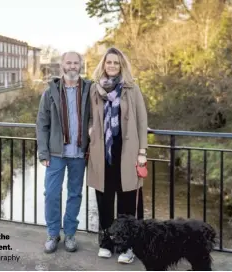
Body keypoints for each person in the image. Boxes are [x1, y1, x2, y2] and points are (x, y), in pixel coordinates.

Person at [87, 47, 148, 264]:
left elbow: (142, 121)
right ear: (103, 65)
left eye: (116, 62)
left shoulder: (131, 89)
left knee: (127, 201)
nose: (111, 66)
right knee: (104, 200)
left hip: (127, 153)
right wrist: (90, 131)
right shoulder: (95, 89)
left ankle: (127, 246)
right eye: (108, 62)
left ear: (121, 65)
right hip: (102, 154)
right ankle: (106, 242)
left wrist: (142, 151)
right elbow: (89, 118)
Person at [36, 51, 92, 254]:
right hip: (56, 153)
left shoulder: (89, 89)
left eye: (76, 63)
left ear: (81, 65)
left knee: (75, 194)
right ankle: (53, 234)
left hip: (79, 153)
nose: (72, 66)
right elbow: (42, 124)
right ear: (62, 66)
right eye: (68, 62)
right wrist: (43, 153)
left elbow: (98, 115)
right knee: (51, 194)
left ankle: (69, 234)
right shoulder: (50, 91)